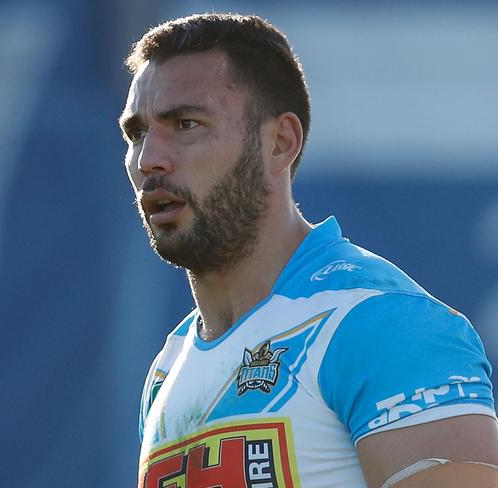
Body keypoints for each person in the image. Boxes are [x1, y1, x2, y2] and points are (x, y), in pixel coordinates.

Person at [119, 13, 498, 488]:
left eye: (186, 124)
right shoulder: (168, 367)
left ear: (281, 143)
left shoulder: (378, 321)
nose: (150, 158)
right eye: (136, 134)